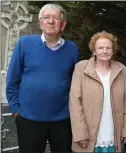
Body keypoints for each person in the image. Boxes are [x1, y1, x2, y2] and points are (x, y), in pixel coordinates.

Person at [6, 3, 80, 152]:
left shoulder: (73, 50)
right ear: (41, 23)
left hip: (63, 120)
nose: (51, 21)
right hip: (28, 120)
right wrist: (16, 110)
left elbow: (75, 84)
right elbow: (12, 81)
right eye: (46, 17)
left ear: (63, 24)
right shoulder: (24, 44)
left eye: (55, 18)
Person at [69, 31, 126, 152]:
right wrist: (80, 133)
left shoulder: (121, 70)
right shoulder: (81, 68)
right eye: (100, 48)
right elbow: (75, 103)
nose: (104, 51)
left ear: (113, 51)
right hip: (89, 133)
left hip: (114, 131)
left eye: (108, 48)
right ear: (94, 50)